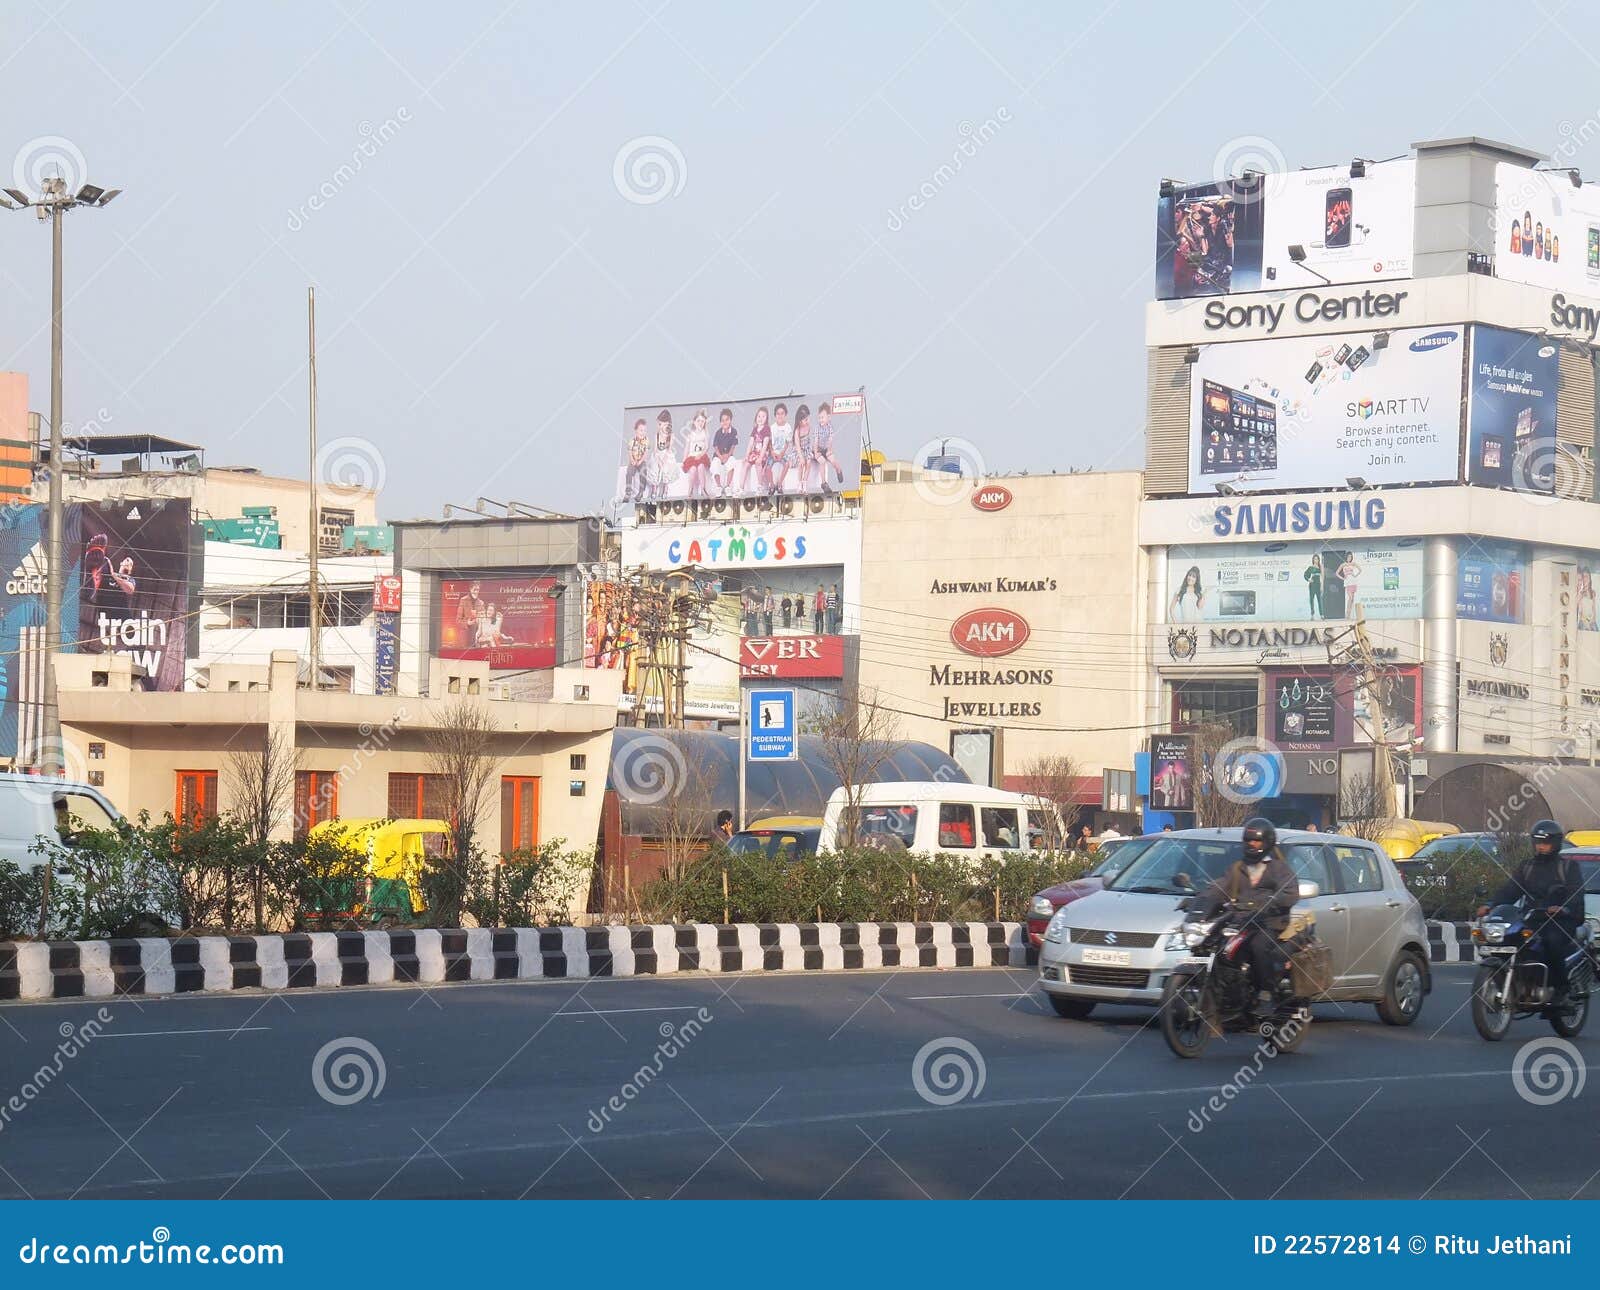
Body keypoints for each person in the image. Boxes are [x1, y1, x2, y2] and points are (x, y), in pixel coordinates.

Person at [1190, 817, 1298, 1007]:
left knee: (1258, 946)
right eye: (1248, 840)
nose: (1252, 844)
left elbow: (1290, 892)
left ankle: (1266, 992)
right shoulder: (1237, 868)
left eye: (1257, 840)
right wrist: (1199, 901)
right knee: (1214, 944)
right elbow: (1219, 888)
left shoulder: (1278, 868)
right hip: (1241, 920)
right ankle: (1225, 991)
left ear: (1267, 842)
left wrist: (1272, 902)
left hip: (1269, 922)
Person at [1477, 819, 1586, 1000]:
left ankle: (1561, 989)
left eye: (1545, 843)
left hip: (1561, 920)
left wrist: (1563, 907)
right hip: (1533, 917)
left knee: (1552, 941)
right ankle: (1520, 981)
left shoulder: (1567, 867)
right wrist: (1490, 905)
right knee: (1511, 938)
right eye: (1538, 842)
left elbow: (1576, 892)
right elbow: (1510, 890)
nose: (1541, 847)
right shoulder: (1527, 867)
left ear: (1556, 843)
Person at [813, 401, 845, 490]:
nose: (821, 420)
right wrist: (816, 453)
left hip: (827, 449)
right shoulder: (817, 428)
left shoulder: (830, 428)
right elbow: (815, 441)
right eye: (819, 418)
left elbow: (830, 441)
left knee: (832, 460)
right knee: (822, 462)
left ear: (828, 417)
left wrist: (829, 450)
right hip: (819, 450)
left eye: (822, 417)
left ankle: (839, 470)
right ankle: (823, 483)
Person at [739, 406, 772, 494]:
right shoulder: (755, 429)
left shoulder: (766, 429)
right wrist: (746, 455)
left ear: (766, 419)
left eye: (763, 416)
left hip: (763, 453)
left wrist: (761, 457)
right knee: (745, 464)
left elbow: (765, 444)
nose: (760, 418)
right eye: (759, 416)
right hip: (755, 452)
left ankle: (760, 486)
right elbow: (750, 443)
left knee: (758, 463)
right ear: (756, 418)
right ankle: (741, 488)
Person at [710, 408, 739, 496]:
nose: (725, 422)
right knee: (715, 464)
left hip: (728, 455)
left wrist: (727, 456)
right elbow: (715, 446)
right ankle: (718, 487)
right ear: (720, 422)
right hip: (718, 455)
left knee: (732, 462)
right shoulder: (718, 433)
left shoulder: (734, 431)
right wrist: (721, 456)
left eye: (727, 420)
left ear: (730, 420)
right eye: (722, 420)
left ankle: (727, 486)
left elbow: (733, 446)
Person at [624, 418, 650, 501]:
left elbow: (646, 453)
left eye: (644, 431)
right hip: (633, 460)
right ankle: (628, 492)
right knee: (629, 472)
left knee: (644, 471)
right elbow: (630, 451)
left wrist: (640, 461)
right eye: (641, 430)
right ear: (636, 430)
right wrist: (632, 460)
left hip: (641, 461)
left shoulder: (646, 440)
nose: (643, 433)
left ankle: (641, 492)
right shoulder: (632, 440)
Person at [1304, 553, 1323, 618]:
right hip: (1312, 585)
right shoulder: (1310, 567)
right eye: (1315, 559)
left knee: (1319, 600)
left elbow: (1322, 577)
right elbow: (1305, 575)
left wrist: (1322, 586)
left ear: (1318, 560)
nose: (1316, 560)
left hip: (1318, 584)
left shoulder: (1320, 567)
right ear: (1313, 560)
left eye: (1317, 559)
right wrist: (1309, 580)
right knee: (1311, 600)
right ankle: (1312, 614)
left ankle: (1321, 614)